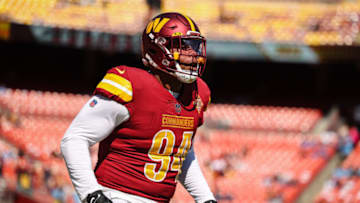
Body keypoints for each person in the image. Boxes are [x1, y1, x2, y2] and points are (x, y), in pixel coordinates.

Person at [61, 12, 217, 203]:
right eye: (184, 47)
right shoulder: (131, 85)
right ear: (157, 49)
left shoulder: (198, 93)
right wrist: (91, 194)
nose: (193, 55)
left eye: (195, 47)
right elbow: (75, 138)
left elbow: (180, 153)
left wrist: (206, 199)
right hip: (116, 196)